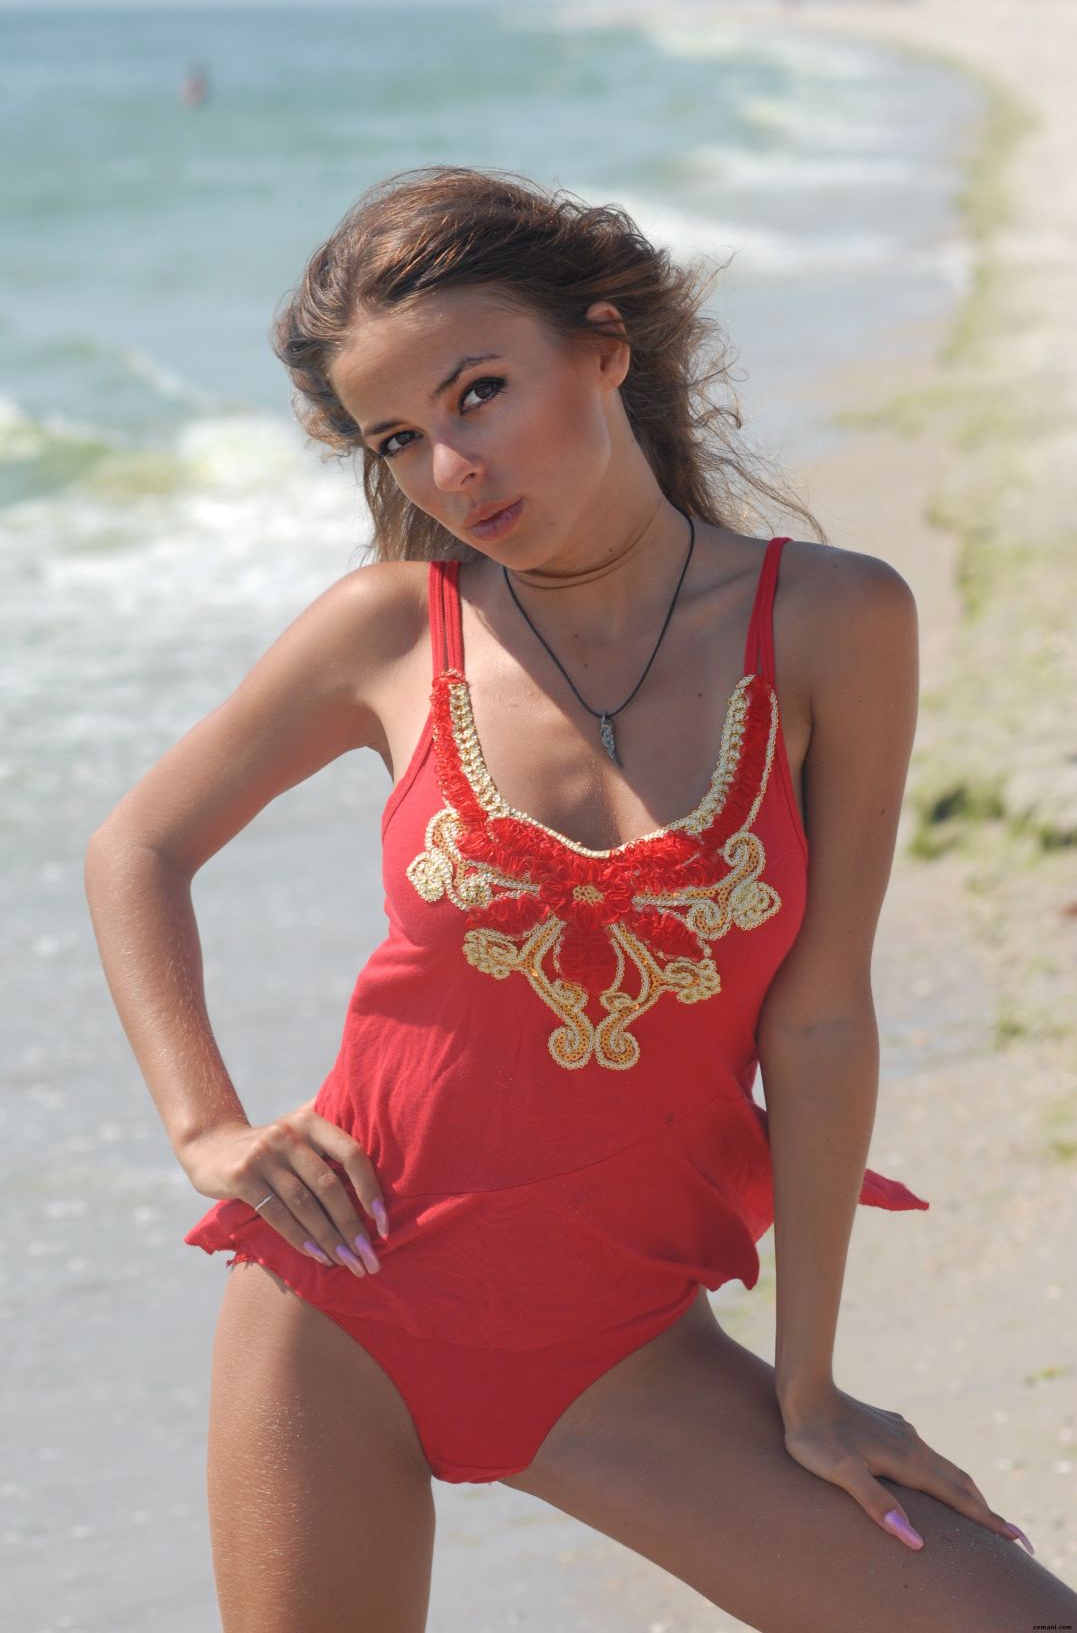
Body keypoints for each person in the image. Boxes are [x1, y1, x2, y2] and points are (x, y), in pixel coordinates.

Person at [85, 166, 1076, 1632]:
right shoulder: (389, 632)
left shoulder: (832, 621)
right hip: (340, 1304)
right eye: (397, 439)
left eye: (478, 393)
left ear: (603, 348)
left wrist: (808, 1387)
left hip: (618, 1349)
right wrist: (205, 1128)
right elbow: (138, 848)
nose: (449, 469)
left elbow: (818, 1021)